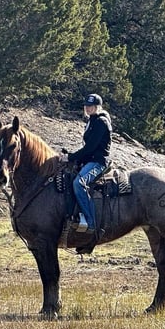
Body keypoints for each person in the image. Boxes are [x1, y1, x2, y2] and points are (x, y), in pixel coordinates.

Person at [59, 93, 112, 233]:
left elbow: (90, 148)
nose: (88, 108)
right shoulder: (92, 121)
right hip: (90, 159)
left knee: (79, 183)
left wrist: (71, 157)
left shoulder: (101, 122)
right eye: (87, 106)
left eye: (91, 106)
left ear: (98, 107)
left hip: (98, 162)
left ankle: (91, 221)